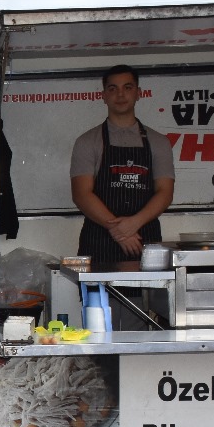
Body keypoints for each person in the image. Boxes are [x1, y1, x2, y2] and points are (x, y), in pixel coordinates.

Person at [69, 64, 175, 272]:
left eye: (127, 87)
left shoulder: (159, 142)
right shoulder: (87, 141)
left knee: (147, 304)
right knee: (97, 303)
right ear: (104, 96)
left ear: (138, 93)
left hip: (145, 241)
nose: (120, 94)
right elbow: (81, 194)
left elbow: (165, 193)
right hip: (99, 242)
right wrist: (117, 229)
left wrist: (133, 224)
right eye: (112, 88)